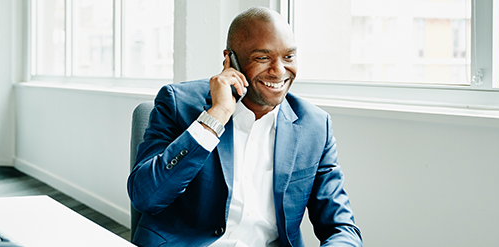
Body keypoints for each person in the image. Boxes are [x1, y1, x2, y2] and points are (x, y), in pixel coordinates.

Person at [128, 6, 362, 247]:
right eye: (262, 58)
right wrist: (215, 117)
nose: (279, 71)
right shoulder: (179, 103)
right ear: (231, 60)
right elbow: (146, 197)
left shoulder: (314, 125)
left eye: (289, 57)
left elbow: (341, 227)